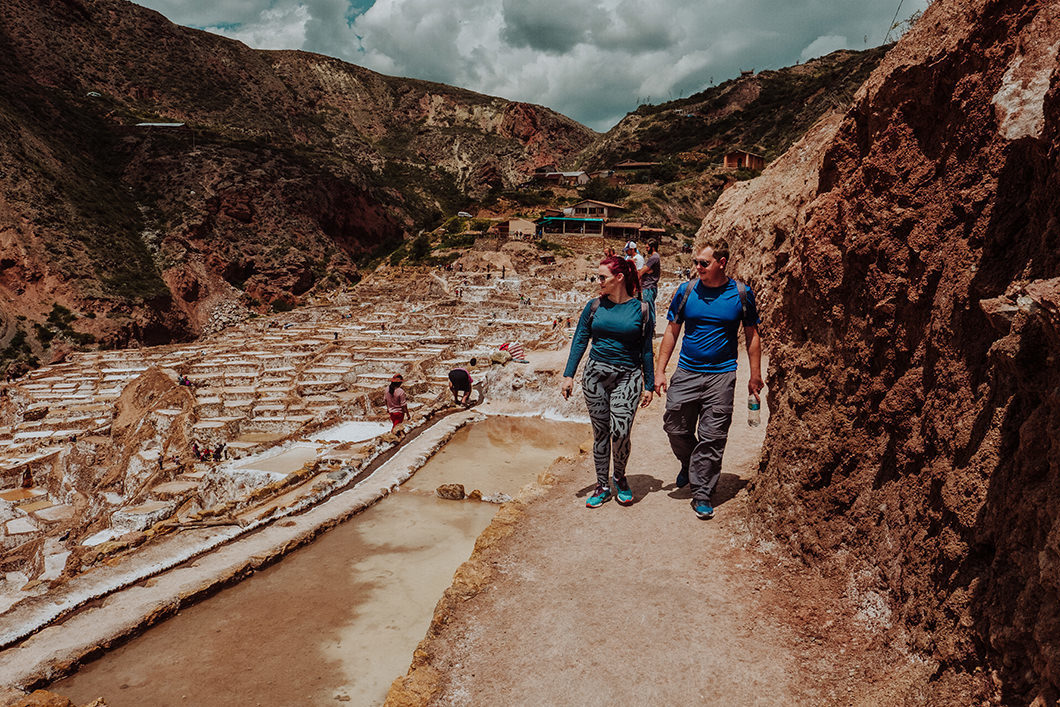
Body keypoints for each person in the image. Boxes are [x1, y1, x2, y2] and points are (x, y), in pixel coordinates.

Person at [654, 239, 763, 520]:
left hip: (722, 375)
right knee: (674, 425)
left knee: (713, 437)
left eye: (704, 263)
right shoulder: (686, 291)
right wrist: (660, 370)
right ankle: (690, 463)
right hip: (687, 371)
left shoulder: (741, 293)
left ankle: (702, 491)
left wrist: (755, 374)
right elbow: (671, 331)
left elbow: (752, 335)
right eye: (696, 263)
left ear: (721, 262)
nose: (698, 267)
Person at [561, 255, 655, 508]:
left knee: (621, 432)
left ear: (619, 278)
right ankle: (602, 484)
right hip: (595, 377)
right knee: (600, 433)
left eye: (602, 277)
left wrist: (649, 384)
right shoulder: (594, 306)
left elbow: (647, 349)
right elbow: (580, 340)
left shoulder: (642, 309)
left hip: (629, 376)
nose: (598, 281)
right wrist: (569, 375)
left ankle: (620, 477)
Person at [638, 239, 662, 324]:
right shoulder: (655, 257)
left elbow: (642, 271)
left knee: (648, 309)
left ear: (653, 247)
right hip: (650, 287)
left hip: (649, 287)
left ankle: (651, 328)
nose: (646, 249)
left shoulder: (654, 258)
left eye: (647, 247)